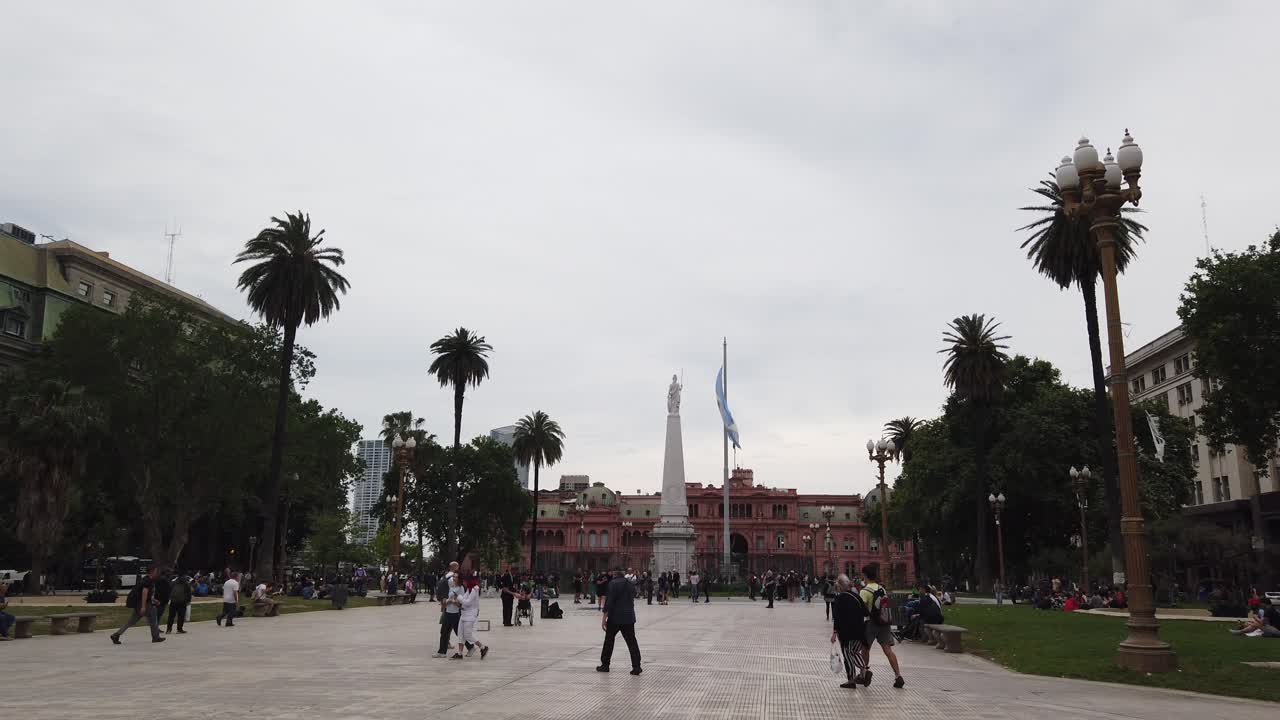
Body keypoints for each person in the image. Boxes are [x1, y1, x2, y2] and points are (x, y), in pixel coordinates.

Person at [857, 563, 903, 688]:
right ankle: (898, 675)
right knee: (888, 650)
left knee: (865, 649)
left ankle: (864, 673)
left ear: (865, 576)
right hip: (884, 622)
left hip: (871, 623)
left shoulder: (864, 591)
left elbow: (861, 610)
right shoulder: (882, 588)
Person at [597, 568, 642, 675]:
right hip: (629, 617)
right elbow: (633, 596)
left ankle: (605, 665)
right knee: (632, 642)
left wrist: (604, 619)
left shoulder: (613, 584)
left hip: (615, 618)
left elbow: (609, 602)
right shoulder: (630, 584)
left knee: (609, 641)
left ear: (615, 575)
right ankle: (636, 666)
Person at [830, 574, 869, 689]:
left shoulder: (839, 598)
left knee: (847, 655)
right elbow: (866, 612)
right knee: (855, 652)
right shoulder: (856, 596)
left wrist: (834, 633)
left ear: (840, 587)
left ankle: (851, 680)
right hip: (860, 631)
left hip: (847, 633)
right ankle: (864, 670)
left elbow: (837, 617)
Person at [111, 566, 164, 644]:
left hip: (138, 604)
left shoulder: (144, 579)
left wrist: (153, 600)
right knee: (153, 619)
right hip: (145, 604)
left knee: (131, 621)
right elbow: (144, 592)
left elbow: (144, 594)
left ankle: (116, 634)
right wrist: (143, 606)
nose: (157, 573)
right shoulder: (148, 580)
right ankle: (156, 637)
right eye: (156, 571)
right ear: (152, 571)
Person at [457, 574, 490, 659]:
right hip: (464, 614)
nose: (463, 583)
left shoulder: (474, 590)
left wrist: (459, 598)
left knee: (468, 635)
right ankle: (459, 653)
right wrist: (460, 600)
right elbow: (464, 600)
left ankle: (482, 647)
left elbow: (467, 602)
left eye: (464, 581)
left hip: (470, 615)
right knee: (460, 634)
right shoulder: (468, 589)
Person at [437, 571, 467, 658]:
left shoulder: (460, 588)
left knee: (459, 632)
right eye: (454, 576)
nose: (454, 578)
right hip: (448, 612)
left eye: (456, 577)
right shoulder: (452, 586)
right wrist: (447, 601)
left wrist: (452, 601)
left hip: (455, 614)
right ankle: (442, 652)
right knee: (444, 633)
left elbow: (461, 603)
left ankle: (472, 645)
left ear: (460, 579)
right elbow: (449, 598)